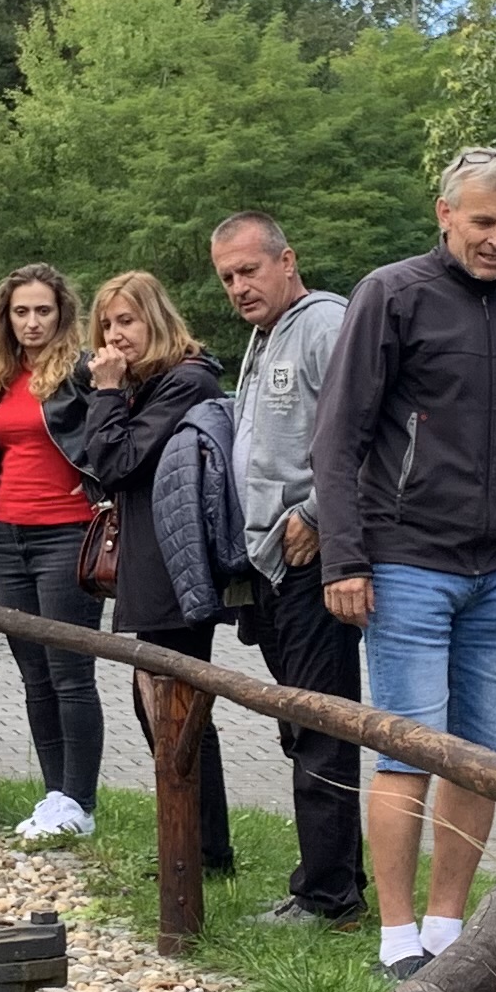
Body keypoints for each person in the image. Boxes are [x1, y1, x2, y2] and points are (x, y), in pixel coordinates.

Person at [311, 148, 496, 980]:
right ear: (444, 213)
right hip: (404, 563)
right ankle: (397, 937)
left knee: (484, 753)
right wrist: (345, 558)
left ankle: (446, 925)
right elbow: (340, 438)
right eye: (483, 223)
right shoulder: (392, 295)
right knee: (409, 750)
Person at [210, 210, 362, 928]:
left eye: (250, 270)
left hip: (312, 558)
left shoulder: (326, 325)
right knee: (299, 724)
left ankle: (328, 895)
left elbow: (369, 430)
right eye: (228, 277)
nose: (240, 287)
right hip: (270, 560)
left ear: (287, 260)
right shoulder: (265, 336)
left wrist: (318, 515)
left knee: (321, 722)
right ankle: (328, 875)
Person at [58, 272, 241, 868]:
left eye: (128, 321)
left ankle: (205, 850)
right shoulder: (146, 385)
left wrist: (106, 392)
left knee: (178, 710)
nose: (115, 335)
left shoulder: (185, 382)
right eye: (107, 324)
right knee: (157, 705)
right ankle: (189, 840)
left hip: (175, 566)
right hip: (149, 560)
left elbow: (115, 461)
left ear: (157, 319)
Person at [0, 262, 107, 847]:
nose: (31, 322)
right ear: (6, 317)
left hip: (66, 535)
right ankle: (56, 797)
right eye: (20, 311)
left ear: (62, 314)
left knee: (69, 672)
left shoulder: (80, 371)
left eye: (42, 311)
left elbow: (110, 433)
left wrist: (96, 478)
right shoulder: (2, 375)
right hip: (7, 536)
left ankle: (82, 802)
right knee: (34, 676)